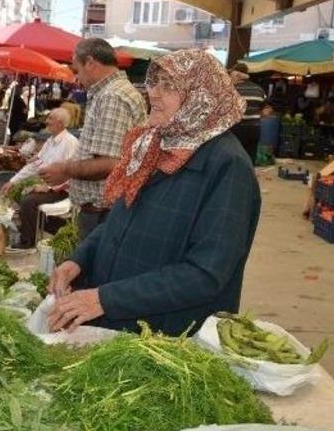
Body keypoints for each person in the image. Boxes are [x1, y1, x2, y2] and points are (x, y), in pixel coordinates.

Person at [47, 49, 261, 337]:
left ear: (202, 96)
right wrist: (79, 260)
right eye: (154, 82)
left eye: (170, 86)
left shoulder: (227, 166)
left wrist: (105, 299)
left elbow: (205, 274)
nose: (154, 94)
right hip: (120, 326)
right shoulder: (152, 145)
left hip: (167, 339)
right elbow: (118, 221)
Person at [39, 38, 147, 240]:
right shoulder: (111, 93)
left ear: (90, 62)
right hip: (104, 211)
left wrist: (64, 169)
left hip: (103, 213)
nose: (76, 77)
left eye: (77, 69)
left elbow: (109, 164)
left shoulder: (111, 96)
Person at [0, 108, 79, 248]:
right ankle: (36, 227)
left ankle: (28, 241)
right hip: (47, 186)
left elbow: (71, 174)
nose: (47, 122)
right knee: (17, 193)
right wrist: (12, 182)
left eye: (50, 119)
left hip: (62, 190)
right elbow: (34, 165)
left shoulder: (70, 143)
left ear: (60, 123)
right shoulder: (50, 141)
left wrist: (47, 187)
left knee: (28, 201)